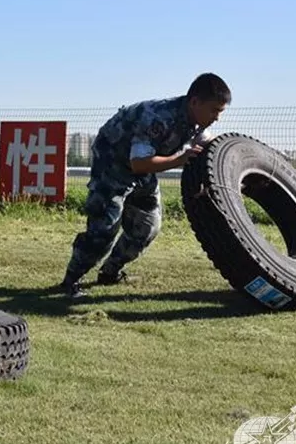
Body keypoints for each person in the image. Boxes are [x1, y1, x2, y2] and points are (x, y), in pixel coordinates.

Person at [59, 72, 231, 299]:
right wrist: (179, 160)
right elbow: (139, 162)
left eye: (220, 112)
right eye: (214, 111)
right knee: (105, 228)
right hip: (113, 163)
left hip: (142, 169)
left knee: (148, 226)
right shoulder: (158, 118)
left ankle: (110, 271)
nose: (216, 117)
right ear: (195, 102)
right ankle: (71, 280)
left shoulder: (195, 120)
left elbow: (207, 143)